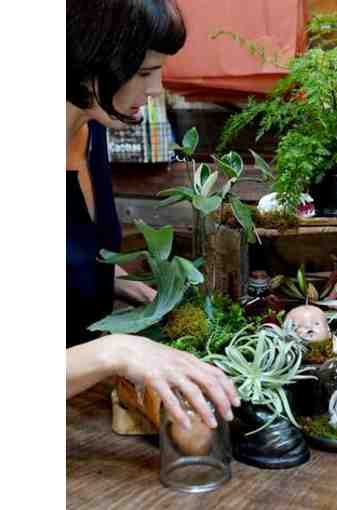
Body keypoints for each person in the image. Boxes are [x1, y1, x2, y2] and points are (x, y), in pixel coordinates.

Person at [66, 0, 239, 432]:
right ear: (87, 61)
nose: (156, 89)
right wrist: (117, 351)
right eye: (144, 72)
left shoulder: (92, 131)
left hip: (83, 414)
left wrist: (113, 279)